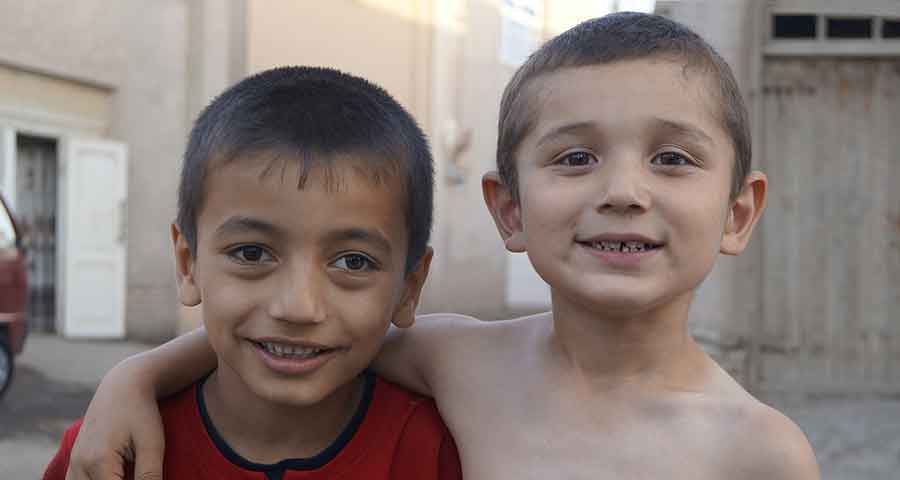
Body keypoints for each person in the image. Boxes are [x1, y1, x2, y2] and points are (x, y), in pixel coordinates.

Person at [64, 12, 820, 480]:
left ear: (737, 213)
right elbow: (304, 327)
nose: (624, 190)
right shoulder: (461, 361)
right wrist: (132, 379)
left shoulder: (761, 453)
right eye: (575, 157)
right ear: (509, 210)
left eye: (672, 158)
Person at [44, 66, 461, 480]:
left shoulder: (437, 456)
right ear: (188, 264)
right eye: (252, 253)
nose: (298, 308)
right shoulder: (107, 453)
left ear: (409, 287)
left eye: (353, 262)